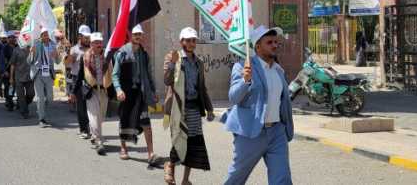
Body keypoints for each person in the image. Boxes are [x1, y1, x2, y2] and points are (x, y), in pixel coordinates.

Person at [222, 26, 294, 185]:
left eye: (276, 42)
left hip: (277, 132)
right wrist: (245, 81)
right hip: (251, 133)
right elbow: (234, 97)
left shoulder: (278, 70)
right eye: (269, 42)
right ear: (257, 46)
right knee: (236, 178)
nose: (274, 45)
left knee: (282, 179)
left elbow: (283, 102)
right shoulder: (243, 67)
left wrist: (285, 126)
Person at [162, 27, 215, 185]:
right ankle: (170, 166)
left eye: (193, 40)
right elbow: (167, 80)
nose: (191, 43)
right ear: (181, 42)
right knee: (179, 139)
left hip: (194, 108)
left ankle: (185, 179)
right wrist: (172, 64)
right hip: (178, 107)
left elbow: (202, 87)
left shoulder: (198, 63)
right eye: (188, 40)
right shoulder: (174, 57)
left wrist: (209, 108)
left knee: (193, 143)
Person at [112, 24, 158, 164]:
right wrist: (119, 89)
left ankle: (151, 153)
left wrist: (153, 91)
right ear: (130, 35)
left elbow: (149, 75)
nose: (138, 36)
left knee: (146, 122)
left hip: (141, 93)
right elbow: (115, 75)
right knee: (124, 119)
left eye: (140, 34)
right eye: (135, 34)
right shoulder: (122, 53)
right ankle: (123, 148)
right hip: (126, 93)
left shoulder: (144, 54)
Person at [76, 32, 113, 155]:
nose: (99, 45)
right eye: (96, 42)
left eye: (100, 42)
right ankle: (98, 141)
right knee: (93, 116)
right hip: (91, 91)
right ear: (91, 44)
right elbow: (80, 74)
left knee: (101, 116)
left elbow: (113, 73)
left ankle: (94, 134)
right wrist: (73, 92)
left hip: (104, 90)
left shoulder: (107, 57)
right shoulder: (85, 57)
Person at [28, 27, 61, 127]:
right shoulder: (36, 45)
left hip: (49, 74)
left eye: (47, 34)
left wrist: (56, 55)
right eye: (44, 34)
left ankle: (41, 109)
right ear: (41, 36)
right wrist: (31, 53)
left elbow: (58, 61)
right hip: (38, 73)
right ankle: (41, 118)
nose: (46, 36)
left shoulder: (53, 45)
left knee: (50, 98)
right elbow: (29, 61)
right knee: (40, 97)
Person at [65, 25, 92, 139]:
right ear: (80, 37)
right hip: (78, 80)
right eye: (86, 37)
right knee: (81, 106)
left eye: (88, 37)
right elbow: (67, 65)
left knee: (91, 106)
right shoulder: (74, 50)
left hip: (90, 80)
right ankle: (84, 129)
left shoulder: (92, 48)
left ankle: (91, 128)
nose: (88, 39)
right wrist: (69, 56)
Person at [10, 39, 34, 119]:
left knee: (31, 94)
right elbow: (12, 65)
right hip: (18, 76)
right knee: (21, 96)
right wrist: (11, 77)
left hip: (29, 76)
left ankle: (23, 104)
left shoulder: (31, 49)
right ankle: (24, 111)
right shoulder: (16, 50)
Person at [0, 33, 14, 110]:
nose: (12, 39)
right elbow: (0, 60)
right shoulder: (3, 48)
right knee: (7, 87)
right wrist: (2, 71)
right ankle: (9, 101)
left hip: (15, 71)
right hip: (6, 71)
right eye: (10, 37)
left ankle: (10, 99)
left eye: (13, 37)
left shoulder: (16, 47)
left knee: (12, 87)